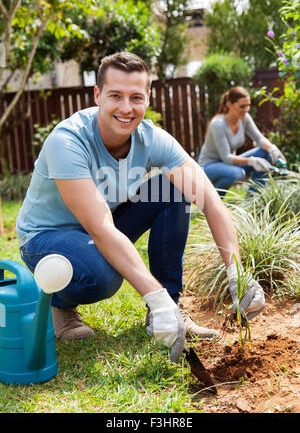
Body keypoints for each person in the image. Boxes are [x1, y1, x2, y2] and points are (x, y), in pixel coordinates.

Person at [16, 53, 265, 363]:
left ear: (148, 98)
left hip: (98, 229)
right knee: (102, 273)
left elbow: (210, 200)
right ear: (97, 95)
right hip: (47, 238)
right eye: (115, 95)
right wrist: (154, 296)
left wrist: (237, 273)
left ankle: (169, 311)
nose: (126, 107)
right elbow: (101, 229)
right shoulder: (68, 141)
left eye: (136, 97)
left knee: (172, 189)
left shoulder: (152, 140)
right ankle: (60, 306)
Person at [198, 86, 286, 197]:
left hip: (228, 165)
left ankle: (252, 201)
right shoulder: (218, 124)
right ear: (229, 104)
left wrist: (272, 148)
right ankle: (213, 201)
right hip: (209, 167)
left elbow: (259, 138)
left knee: (265, 153)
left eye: (248, 105)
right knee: (237, 173)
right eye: (242, 106)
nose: (246, 109)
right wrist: (251, 161)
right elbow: (227, 157)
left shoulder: (244, 117)